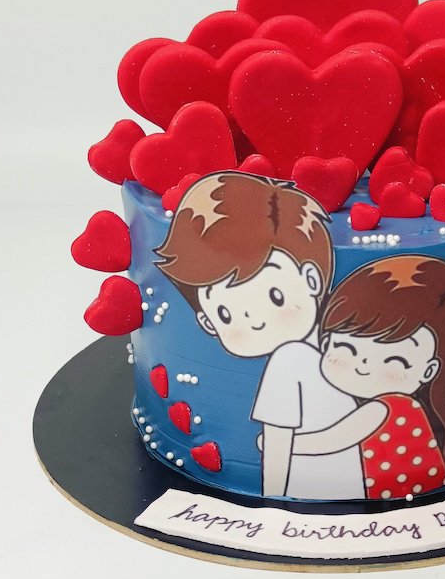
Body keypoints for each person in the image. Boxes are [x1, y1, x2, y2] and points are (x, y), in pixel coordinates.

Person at [155, 171, 363, 499]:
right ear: (208, 322)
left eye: (275, 296)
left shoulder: (295, 360)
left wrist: (274, 502)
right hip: (321, 490)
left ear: (311, 279)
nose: (254, 320)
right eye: (226, 313)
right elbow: (282, 443)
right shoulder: (295, 361)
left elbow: (279, 445)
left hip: (316, 492)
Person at [290, 255, 445, 498]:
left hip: (397, 501)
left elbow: (333, 440)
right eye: (347, 348)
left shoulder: (384, 407)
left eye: (394, 361)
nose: (362, 367)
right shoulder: (407, 405)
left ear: (429, 371)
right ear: (324, 342)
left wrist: (284, 444)